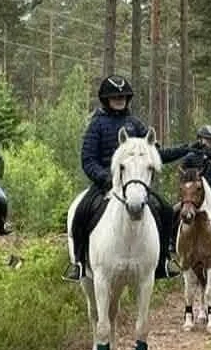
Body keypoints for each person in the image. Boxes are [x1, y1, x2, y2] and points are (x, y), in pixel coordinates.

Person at [63, 75, 188, 282]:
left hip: (135, 182)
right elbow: (88, 160)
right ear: (106, 99)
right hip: (105, 183)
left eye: (122, 96)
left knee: (165, 209)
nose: (119, 99)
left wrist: (185, 149)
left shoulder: (135, 124)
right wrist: (106, 178)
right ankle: (78, 262)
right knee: (80, 211)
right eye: (115, 96)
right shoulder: (97, 125)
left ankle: (163, 261)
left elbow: (156, 154)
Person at [167, 124, 211, 261]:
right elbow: (181, 173)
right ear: (200, 140)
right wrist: (186, 192)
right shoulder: (190, 157)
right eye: (207, 139)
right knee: (173, 212)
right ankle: (171, 242)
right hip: (192, 196)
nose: (210, 143)